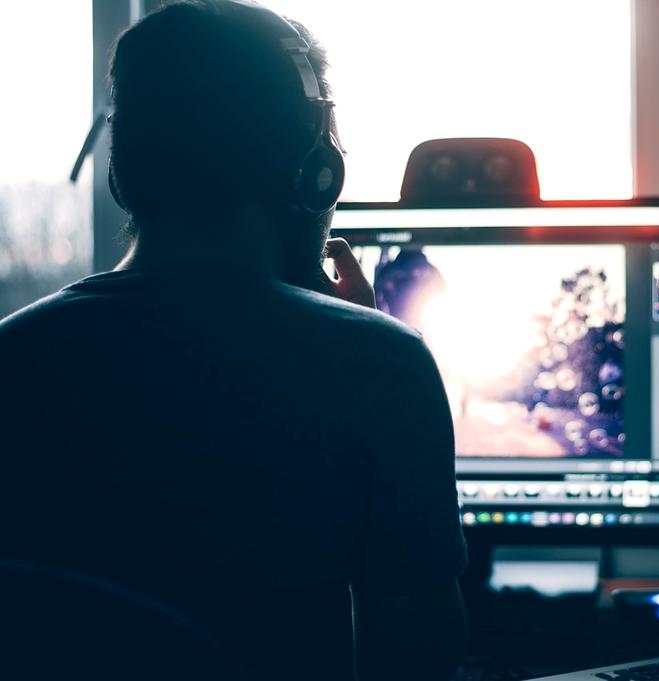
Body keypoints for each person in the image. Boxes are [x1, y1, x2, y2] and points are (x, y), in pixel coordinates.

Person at [0, 2, 467, 679]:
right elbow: (421, 659)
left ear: (124, 171)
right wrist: (367, 337)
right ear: (315, 170)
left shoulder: (14, 359)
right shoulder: (379, 367)